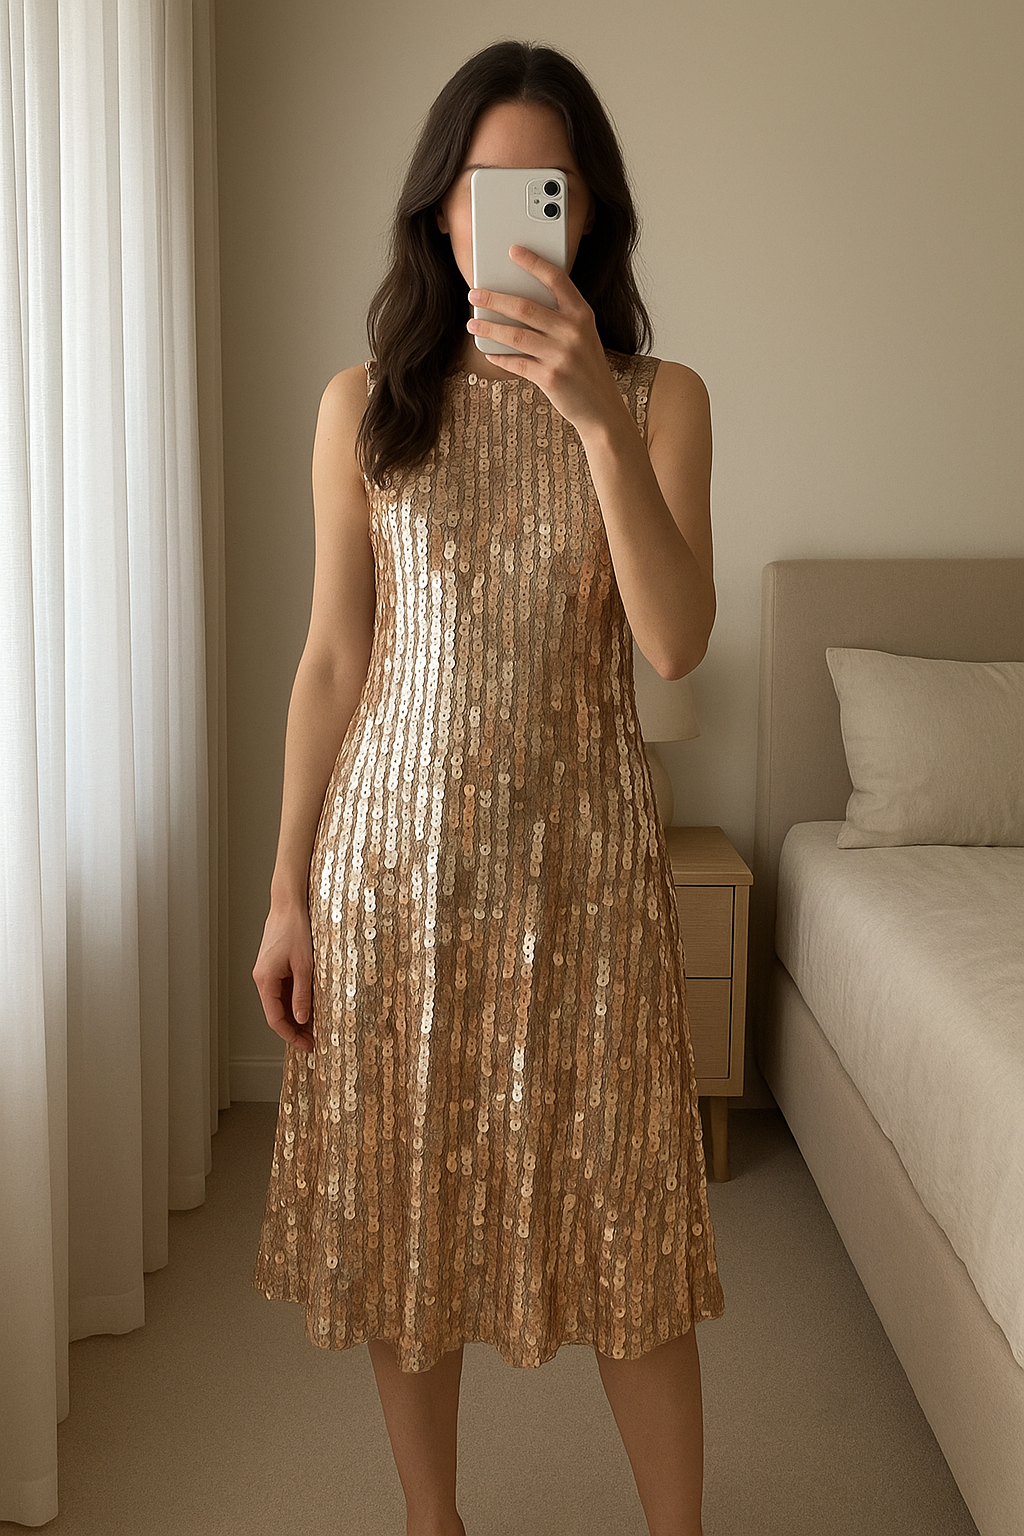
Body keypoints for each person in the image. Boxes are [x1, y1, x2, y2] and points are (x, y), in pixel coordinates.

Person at [251, 38, 723, 1536]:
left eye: (548, 190)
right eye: (485, 189)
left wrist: (594, 420)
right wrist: (284, 897)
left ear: (587, 218)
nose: (513, 218)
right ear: (440, 215)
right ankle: (431, 1524)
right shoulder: (363, 409)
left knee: (631, 1223)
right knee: (407, 1215)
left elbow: (676, 644)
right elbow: (332, 665)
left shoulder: (661, 397)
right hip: (390, 874)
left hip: (585, 877)